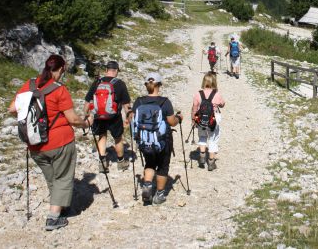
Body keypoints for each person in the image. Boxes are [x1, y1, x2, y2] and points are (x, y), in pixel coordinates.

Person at [8, 54, 90, 231]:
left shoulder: (29, 84)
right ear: (61, 69)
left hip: (35, 144)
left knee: (52, 177)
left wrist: (31, 120)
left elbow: (12, 109)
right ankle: (53, 218)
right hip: (60, 141)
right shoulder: (59, 89)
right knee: (62, 177)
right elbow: (73, 119)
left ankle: (60, 206)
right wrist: (86, 124)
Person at [131, 72, 182, 204]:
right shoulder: (165, 102)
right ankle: (159, 195)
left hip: (145, 140)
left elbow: (132, 119)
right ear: (159, 85)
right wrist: (179, 118)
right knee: (163, 166)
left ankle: (147, 185)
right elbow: (171, 122)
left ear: (146, 85)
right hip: (162, 140)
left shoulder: (139, 101)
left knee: (150, 163)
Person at [85, 60, 131, 173]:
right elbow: (126, 104)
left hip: (98, 116)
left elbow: (87, 100)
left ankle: (103, 163)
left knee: (102, 136)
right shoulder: (120, 83)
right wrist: (128, 117)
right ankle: (121, 162)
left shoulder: (97, 82)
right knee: (118, 138)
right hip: (114, 117)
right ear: (116, 71)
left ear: (106, 70)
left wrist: (86, 114)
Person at [191, 72, 225, 171]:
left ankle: (202, 156)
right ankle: (211, 162)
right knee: (213, 139)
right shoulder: (217, 93)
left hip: (201, 119)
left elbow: (194, 107)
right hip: (213, 119)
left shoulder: (198, 93)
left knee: (202, 136)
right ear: (214, 81)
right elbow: (222, 104)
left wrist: (193, 119)